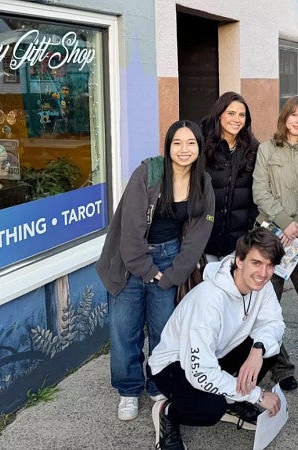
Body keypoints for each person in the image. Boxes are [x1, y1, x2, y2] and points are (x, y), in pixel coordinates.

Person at [96, 120, 215, 421]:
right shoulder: (147, 174)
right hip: (130, 260)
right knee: (125, 331)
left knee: (164, 330)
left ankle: (157, 383)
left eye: (191, 143)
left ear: (199, 147)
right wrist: (148, 271)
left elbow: (199, 235)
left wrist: (173, 274)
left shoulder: (202, 182)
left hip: (169, 257)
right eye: (177, 143)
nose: (184, 149)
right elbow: (130, 230)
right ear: (168, 146)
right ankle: (128, 390)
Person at [148, 228, 285, 450]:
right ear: (239, 261)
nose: (263, 273)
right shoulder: (209, 301)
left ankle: (233, 400)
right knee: (211, 409)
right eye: (256, 263)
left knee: (270, 348)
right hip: (174, 365)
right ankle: (168, 411)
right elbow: (200, 372)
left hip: (216, 353)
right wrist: (257, 395)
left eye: (270, 265)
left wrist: (257, 349)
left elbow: (274, 323)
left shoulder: (262, 285)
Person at [253, 95, 298, 388]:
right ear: (285, 117)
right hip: (271, 234)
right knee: (268, 304)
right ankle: (281, 370)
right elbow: (260, 191)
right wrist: (285, 222)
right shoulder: (267, 149)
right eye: (294, 115)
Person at [201, 91, 261, 259]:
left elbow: (258, 191)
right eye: (231, 113)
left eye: (242, 115)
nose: (237, 119)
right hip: (205, 240)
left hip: (239, 242)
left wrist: (250, 226)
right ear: (219, 114)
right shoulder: (202, 145)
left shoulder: (253, 149)